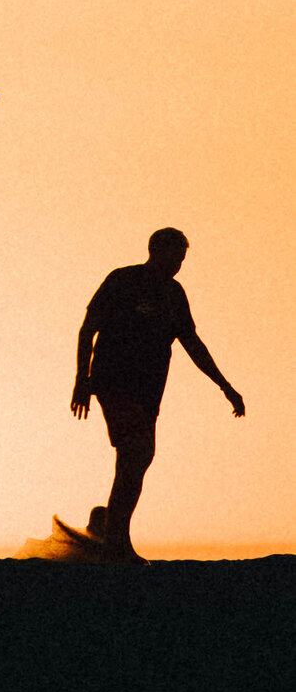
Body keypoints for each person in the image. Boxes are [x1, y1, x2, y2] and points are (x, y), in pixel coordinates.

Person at [70, 227, 244, 559]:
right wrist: (82, 379)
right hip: (113, 381)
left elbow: (192, 344)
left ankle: (107, 521)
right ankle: (117, 540)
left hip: (149, 391)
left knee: (139, 457)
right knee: (136, 451)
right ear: (156, 250)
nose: (179, 263)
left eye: (183, 258)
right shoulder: (121, 280)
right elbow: (88, 328)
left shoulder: (174, 294)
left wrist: (226, 386)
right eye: (175, 255)